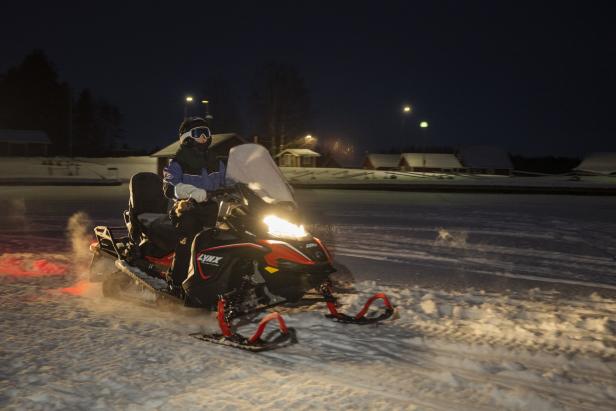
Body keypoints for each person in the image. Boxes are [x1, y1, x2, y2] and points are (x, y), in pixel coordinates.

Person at [162, 117, 226, 296]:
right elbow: (169, 187)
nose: (204, 137)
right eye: (199, 133)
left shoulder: (215, 160)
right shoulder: (177, 162)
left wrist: (250, 187)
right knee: (189, 241)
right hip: (186, 211)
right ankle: (175, 284)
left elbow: (230, 180)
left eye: (207, 133)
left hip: (212, 210)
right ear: (187, 137)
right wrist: (193, 192)